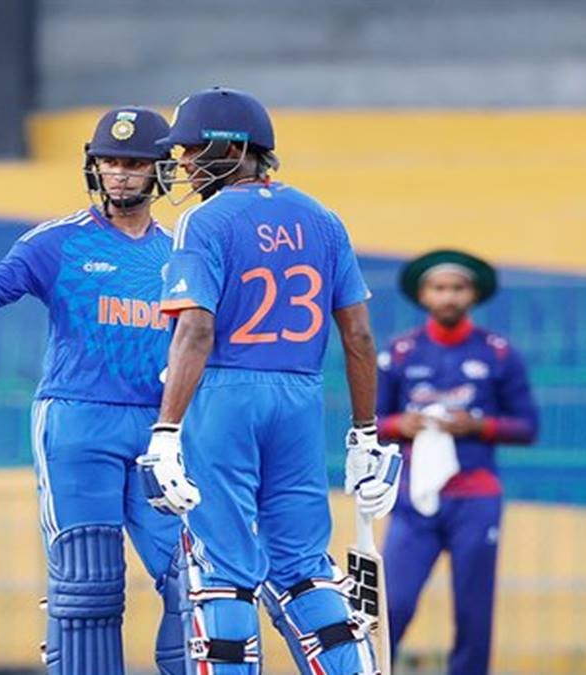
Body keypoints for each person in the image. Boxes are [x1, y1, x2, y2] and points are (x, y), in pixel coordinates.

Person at [0, 107, 185, 675]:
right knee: (89, 583)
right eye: (110, 162)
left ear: (159, 171)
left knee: (192, 578)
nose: (121, 174)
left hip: (160, 429)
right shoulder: (57, 242)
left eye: (134, 164)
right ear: (94, 167)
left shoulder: (179, 251)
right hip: (78, 422)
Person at [136, 86, 402, 675]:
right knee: (304, 567)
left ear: (234, 149)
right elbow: (359, 336)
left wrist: (166, 431)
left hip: (224, 396)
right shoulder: (322, 218)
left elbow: (195, 331)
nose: (183, 163)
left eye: (193, 149)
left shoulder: (203, 220)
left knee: (223, 568)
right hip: (300, 398)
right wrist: (365, 435)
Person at [376, 249, 539, 675]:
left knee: (473, 611)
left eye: (458, 288)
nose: (448, 297)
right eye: (439, 288)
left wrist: (478, 426)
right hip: (415, 498)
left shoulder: (497, 354)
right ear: (423, 295)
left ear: (473, 294)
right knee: (392, 603)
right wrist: (400, 424)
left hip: (475, 495)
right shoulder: (401, 353)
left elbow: (527, 426)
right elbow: (370, 422)